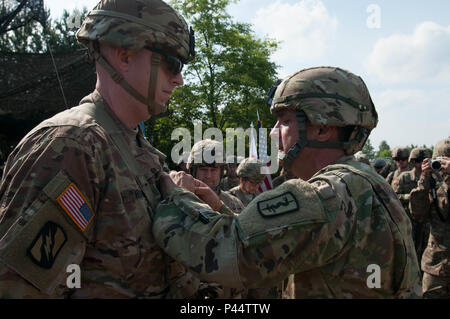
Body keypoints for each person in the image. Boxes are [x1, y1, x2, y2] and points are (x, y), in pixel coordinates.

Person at [154, 66, 421, 298]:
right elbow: (274, 242)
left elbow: (231, 255)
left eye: (284, 121)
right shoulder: (362, 182)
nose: (273, 133)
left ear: (322, 127)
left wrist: (177, 195)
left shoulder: (326, 194)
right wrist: (219, 208)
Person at [0, 0, 203, 298]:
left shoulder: (141, 152)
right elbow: (19, 289)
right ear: (124, 56)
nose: (179, 79)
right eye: (172, 63)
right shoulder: (72, 145)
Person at [409, 138, 450, 298]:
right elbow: (418, 214)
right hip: (436, 265)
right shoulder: (432, 184)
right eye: (438, 161)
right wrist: (424, 179)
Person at [392, 148, 432, 269]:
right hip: (409, 220)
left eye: (422, 161)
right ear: (412, 161)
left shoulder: (433, 178)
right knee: (409, 249)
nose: (419, 164)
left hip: (428, 221)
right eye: (416, 161)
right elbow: (394, 197)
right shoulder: (404, 177)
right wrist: (409, 197)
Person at [187, 139, 245, 215]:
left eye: (213, 170)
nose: (208, 176)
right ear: (193, 171)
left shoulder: (235, 204)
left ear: (221, 171)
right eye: (203, 169)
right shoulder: (183, 201)